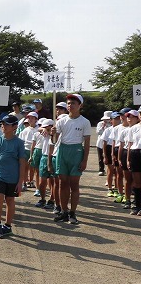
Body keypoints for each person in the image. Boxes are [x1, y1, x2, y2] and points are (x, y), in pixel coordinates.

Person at [53, 94, 91, 224]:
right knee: (62, 183)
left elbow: (86, 143)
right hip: (62, 151)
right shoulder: (61, 121)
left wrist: (84, 160)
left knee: (74, 184)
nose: (70, 105)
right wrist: (52, 132)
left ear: (80, 105)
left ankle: (73, 213)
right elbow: (54, 139)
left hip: (76, 152)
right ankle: (64, 211)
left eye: (73, 103)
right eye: (68, 103)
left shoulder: (84, 122)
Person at [0, 115, 28, 238]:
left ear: (14, 127)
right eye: (2, 124)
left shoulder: (19, 143)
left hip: (13, 177)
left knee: (10, 200)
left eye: (6, 124)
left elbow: (22, 163)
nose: (3, 126)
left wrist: (20, 181)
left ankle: (8, 225)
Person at [125, 109, 141, 215]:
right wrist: (128, 159)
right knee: (137, 182)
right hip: (136, 154)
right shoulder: (134, 128)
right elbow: (130, 145)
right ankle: (137, 205)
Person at [96, 111, 112, 176]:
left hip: (109, 143)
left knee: (109, 156)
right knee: (100, 157)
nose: (107, 121)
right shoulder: (100, 124)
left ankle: (111, 169)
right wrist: (103, 127)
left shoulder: (113, 125)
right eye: (106, 119)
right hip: (100, 143)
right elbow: (98, 132)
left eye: (108, 119)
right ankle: (101, 169)